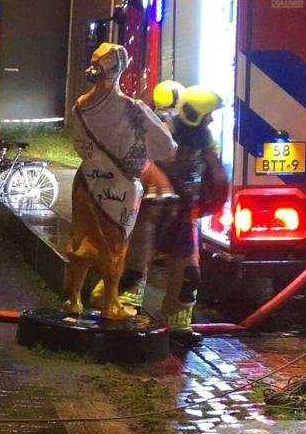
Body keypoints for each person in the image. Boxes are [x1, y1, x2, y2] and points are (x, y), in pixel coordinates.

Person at [63, 43, 176, 319]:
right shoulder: (132, 108)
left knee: (81, 240)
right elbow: (167, 146)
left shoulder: (80, 106)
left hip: (86, 180)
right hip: (120, 187)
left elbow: (79, 145)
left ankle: (74, 300)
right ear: (120, 69)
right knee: (115, 246)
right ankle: (111, 305)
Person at [154, 85, 226, 349]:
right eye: (208, 115)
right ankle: (120, 313)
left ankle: (177, 325)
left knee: (189, 273)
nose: (211, 120)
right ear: (195, 114)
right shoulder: (163, 131)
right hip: (152, 210)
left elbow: (214, 175)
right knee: (133, 265)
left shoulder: (205, 140)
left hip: (184, 214)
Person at [115, 79, 186, 308]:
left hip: (147, 194)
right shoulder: (180, 125)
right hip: (169, 196)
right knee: (175, 258)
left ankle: (127, 298)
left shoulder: (149, 120)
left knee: (139, 250)